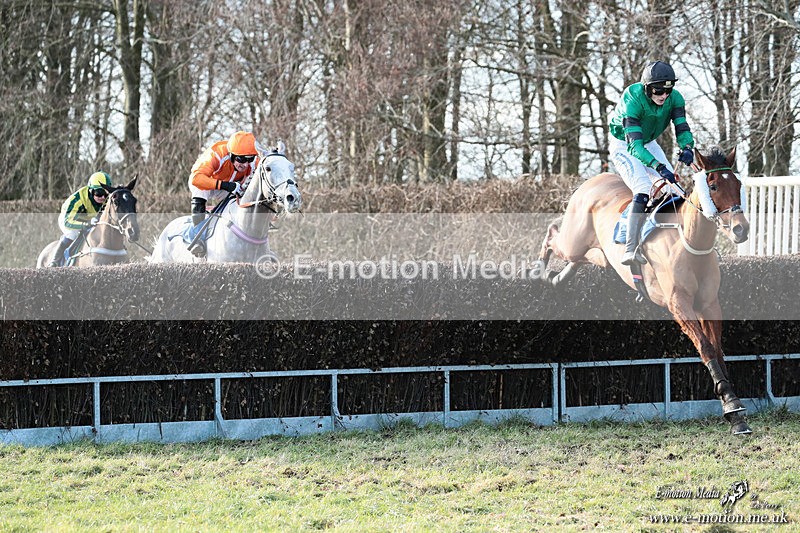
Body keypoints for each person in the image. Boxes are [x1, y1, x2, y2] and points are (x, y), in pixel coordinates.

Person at [608, 60, 695, 265]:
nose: (663, 96)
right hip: (625, 144)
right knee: (643, 188)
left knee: (675, 188)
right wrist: (658, 167)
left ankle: (682, 245)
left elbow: (682, 128)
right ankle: (630, 248)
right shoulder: (633, 98)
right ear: (647, 88)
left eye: (668, 90)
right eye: (658, 91)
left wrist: (687, 148)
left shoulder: (676, 99)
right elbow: (635, 148)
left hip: (649, 141)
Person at [187, 130, 259, 257]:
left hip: (230, 187)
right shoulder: (217, 154)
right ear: (231, 155)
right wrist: (225, 185)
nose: (245, 164)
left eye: (250, 159)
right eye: (241, 159)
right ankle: (197, 238)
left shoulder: (253, 162)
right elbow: (196, 178)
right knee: (199, 189)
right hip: (207, 183)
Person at [47, 171, 113, 267]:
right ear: (91, 191)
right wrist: (86, 224)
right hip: (69, 218)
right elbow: (67, 222)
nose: (103, 197)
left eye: (106, 194)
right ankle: (54, 261)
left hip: (89, 219)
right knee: (73, 233)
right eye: (99, 193)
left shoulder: (106, 199)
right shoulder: (78, 200)